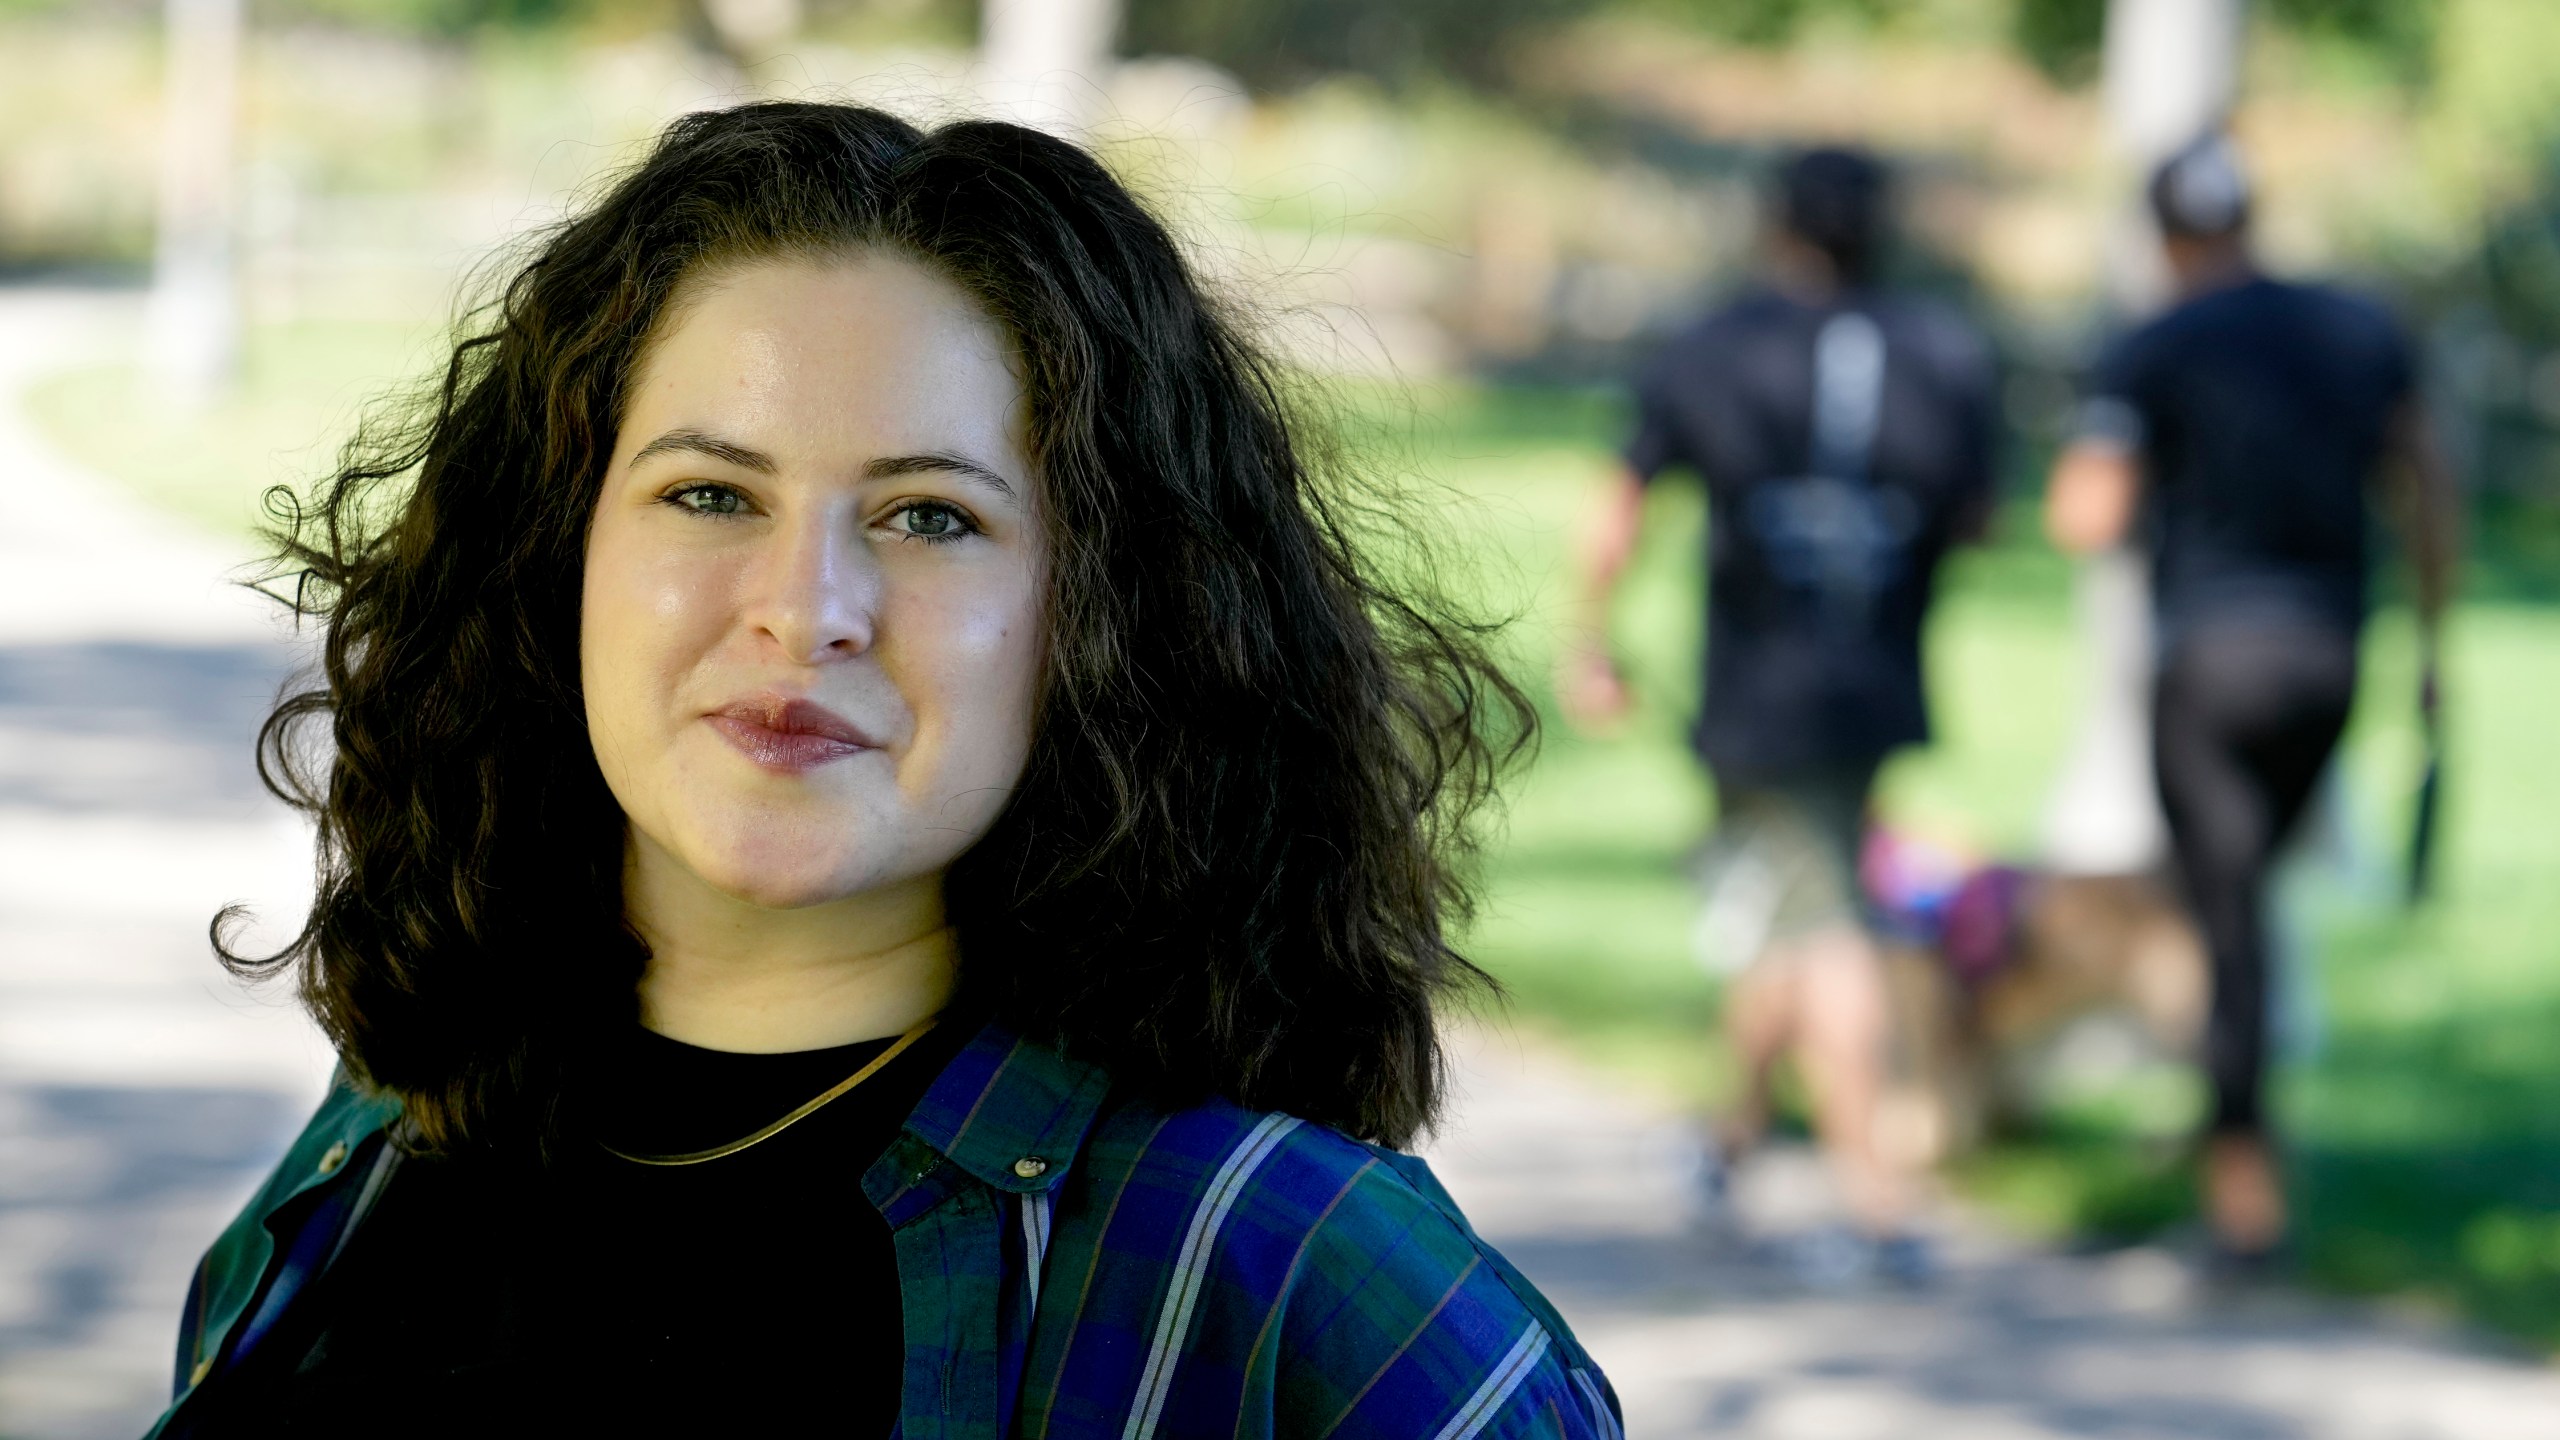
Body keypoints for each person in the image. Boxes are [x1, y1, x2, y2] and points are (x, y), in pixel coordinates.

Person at [148, 102, 1620, 1439]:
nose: (805, 609)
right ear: (558, 555)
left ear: (1110, 615)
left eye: (929, 517)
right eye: (709, 493)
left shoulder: (1287, 1276)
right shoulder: (381, 1139)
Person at [1561, 147, 1997, 1281]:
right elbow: (1978, 520)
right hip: (1874, 679)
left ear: (1776, 226)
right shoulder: (1944, 350)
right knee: (1793, 897)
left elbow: (1623, 501)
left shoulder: (1715, 343)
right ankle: (1731, 1140)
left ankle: (1878, 1206)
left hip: (1758, 685)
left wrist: (1591, 639)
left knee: (1821, 918)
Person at [2045, 134, 2458, 1265]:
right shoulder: (2356, 327)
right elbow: (2427, 487)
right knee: (2240, 912)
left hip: (2209, 665)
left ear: (2163, 235)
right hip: (2328, 658)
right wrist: (2432, 644)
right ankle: (2227, 1132)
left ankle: (2243, 1205)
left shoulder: (2155, 342)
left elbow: (2082, 513)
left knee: (2224, 920)